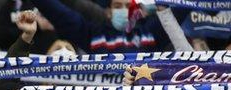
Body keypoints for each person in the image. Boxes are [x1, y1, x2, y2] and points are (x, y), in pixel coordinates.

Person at [31, 0, 169, 53]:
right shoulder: (93, 34)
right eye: (117, 6)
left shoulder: (150, 33)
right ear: (109, 12)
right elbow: (60, 14)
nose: (124, 10)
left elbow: (180, 10)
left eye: (128, 6)